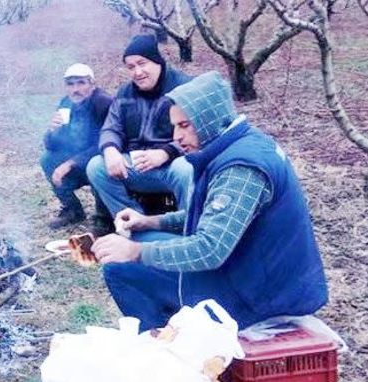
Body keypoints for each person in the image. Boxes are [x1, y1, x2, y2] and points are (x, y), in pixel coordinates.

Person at [92, 71, 328, 331]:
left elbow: (210, 249)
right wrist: (149, 222)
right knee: (141, 240)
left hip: (261, 296)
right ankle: (171, 331)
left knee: (121, 267)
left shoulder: (240, 168)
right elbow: (209, 216)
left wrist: (135, 253)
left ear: (207, 119)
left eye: (184, 125)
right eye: (175, 127)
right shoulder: (241, 143)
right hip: (251, 270)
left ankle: (164, 346)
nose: (177, 138)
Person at [86, 34, 193, 227]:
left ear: (157, 61)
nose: (137, 72)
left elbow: (200, 133)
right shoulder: (125, 92)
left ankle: (188, 226)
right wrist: (110, 149)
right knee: (96, 166)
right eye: (131, 67)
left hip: (173, 166)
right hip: (136, 166)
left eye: (142, 63)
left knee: (185, 169)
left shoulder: (185, 88)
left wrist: (166, 152)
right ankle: (133, 224)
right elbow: (112, 126)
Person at [41, 63, 113, 232]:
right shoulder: (66, 103)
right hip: (78, 161)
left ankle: (105, 217)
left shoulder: (103, 103)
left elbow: (106, 143)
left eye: (81, 83)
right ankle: (72, 210)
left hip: (102, 160)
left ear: (92, 84)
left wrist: (69, 164)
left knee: (98, 163)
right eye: (70, 84)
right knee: (47, 159)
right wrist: (52, 131)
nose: (75, 89)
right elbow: (52, 145)